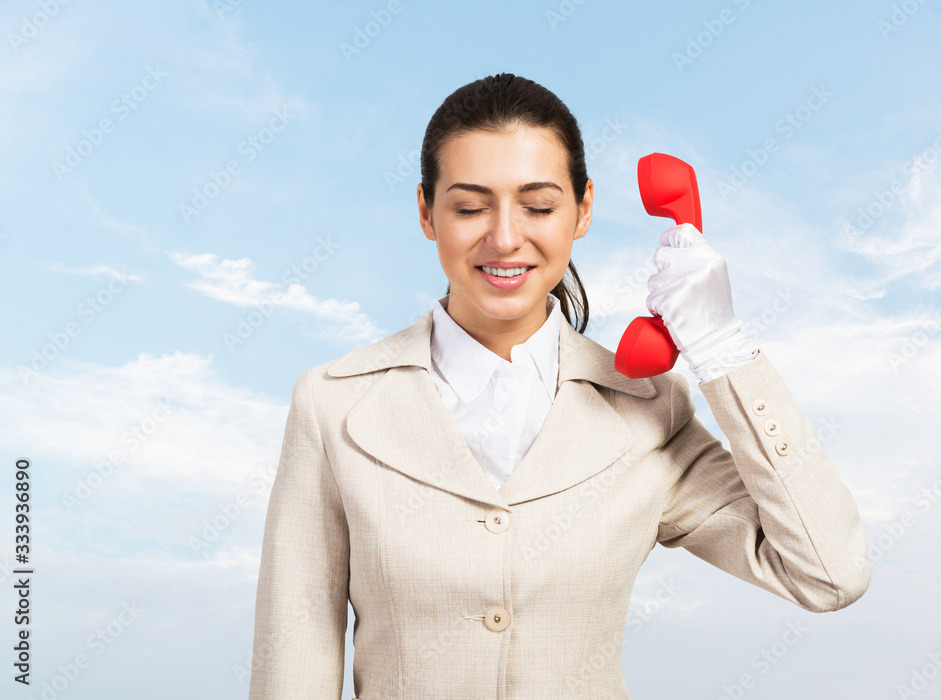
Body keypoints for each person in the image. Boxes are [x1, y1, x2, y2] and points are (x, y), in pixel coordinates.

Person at [248, 72, 871, 699]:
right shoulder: (334, 404)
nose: (504, 237)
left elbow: (827, 574)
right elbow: (292, 661)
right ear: (425, 212)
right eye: (469, 207)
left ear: (584, 209)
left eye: (539, 206)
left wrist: (722, 348)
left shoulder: (647, 415)